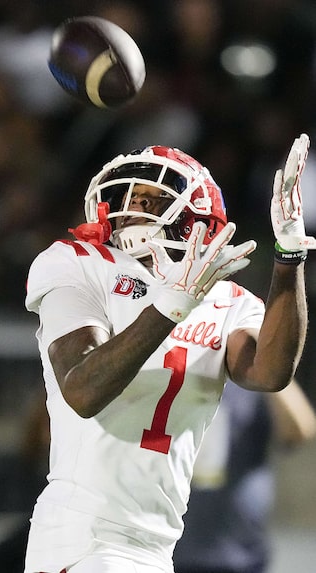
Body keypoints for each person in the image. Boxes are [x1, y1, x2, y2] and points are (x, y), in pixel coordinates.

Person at [24, 134, 314, 573]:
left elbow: (270, 373)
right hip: (83, 537)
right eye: (134, 195)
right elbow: (82, 389)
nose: (136, 206)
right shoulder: (77, 262)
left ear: (195, 219)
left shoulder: (225, 298)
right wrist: (173, 303)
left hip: (157, 546)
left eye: (155, 198)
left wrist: (288, 258)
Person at [173, 378, 316, 573]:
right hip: (170, 547)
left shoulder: (250, 378)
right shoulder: (180, 368)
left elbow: (299, 430)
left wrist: (270, 366)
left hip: (237, 552)